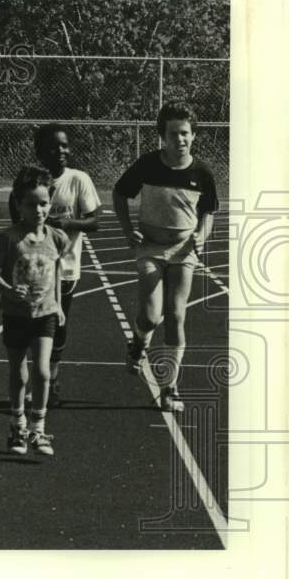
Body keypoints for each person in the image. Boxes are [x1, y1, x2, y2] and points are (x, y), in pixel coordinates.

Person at [112, 102, 218, 412]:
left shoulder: (202, 173)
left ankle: (170, 387)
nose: (179, 140)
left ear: (193, 135)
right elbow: (120, 194)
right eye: (173, 134)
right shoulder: (147, 165)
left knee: (176, 314)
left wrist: (202, 234)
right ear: (162, 136)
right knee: (151, 315)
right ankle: (140, 342)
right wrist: (127, 229)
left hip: (183, 250)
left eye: (185, 133)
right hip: (150, 248)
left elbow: (208, 213)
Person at [8, 124, 100, 406]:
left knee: (56, 326)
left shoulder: (78, 179)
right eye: (53, 147)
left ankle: (50, 376)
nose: (61, 151)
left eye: (64, 146)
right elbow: (15, 214)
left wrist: (67, 224)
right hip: (33, 269)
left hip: (66, 269)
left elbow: (95, 220)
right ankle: (30, 378)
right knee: (28, 325)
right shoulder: (32, 183)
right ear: (39, 152)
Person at [0, 166, 69, 456]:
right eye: (31, 204)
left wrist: (58, 303)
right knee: (19, 373)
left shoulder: (57, 238)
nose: (38, 210)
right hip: (15, 315)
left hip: (45, 314)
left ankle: (39, 429)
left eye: (44, 203)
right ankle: (17, 424)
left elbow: (58, 270)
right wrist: (9, 290)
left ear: (51, 202)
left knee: (44, 372)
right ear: (18, 204)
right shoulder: (9, 239)